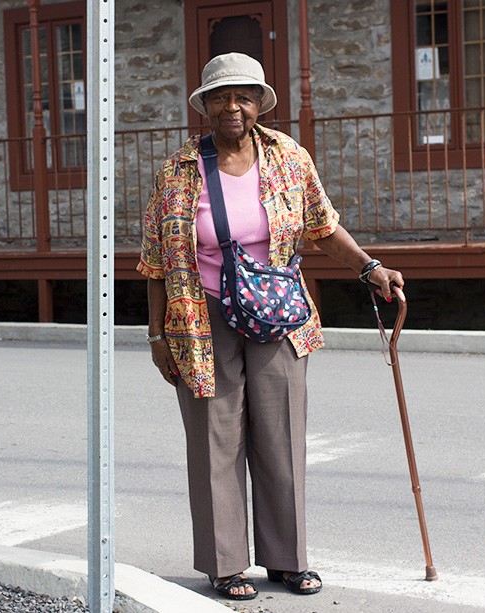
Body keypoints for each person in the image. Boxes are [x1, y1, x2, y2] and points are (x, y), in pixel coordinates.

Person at [137, 52, 404, 601]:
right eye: (220, 96)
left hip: (279, 310)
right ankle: (225, 564)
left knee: (281, 436)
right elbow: (155, 262)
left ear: (260, 102)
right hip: (200, 316)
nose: (232, 106)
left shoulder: (288, 157)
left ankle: (288, 559)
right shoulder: (178, 170)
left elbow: (323, 228)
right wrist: (158, 335)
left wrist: (369, 268)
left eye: (244, 96)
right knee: (216, 440)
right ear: (205, 106)